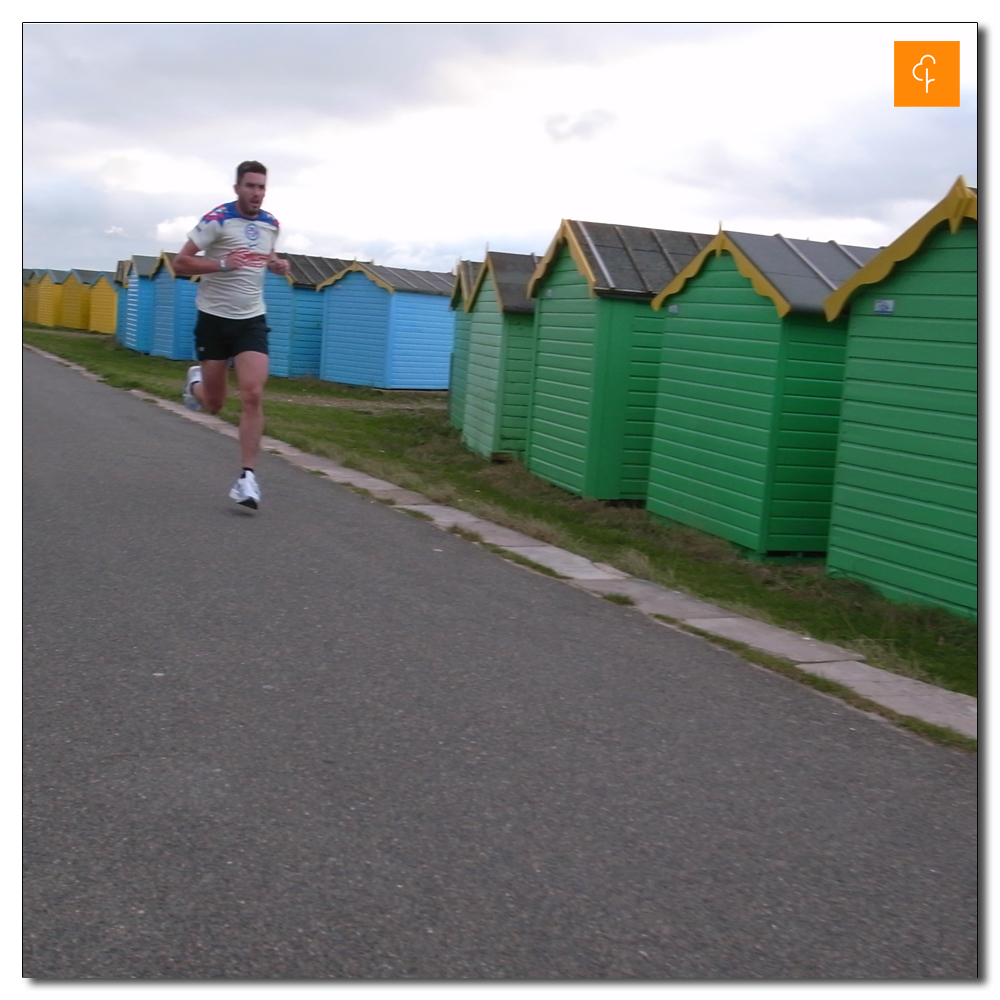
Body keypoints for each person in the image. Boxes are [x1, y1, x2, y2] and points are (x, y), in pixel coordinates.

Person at [172, 160, 291, 511]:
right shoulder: (217, 220)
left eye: (262, 187)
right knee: (215, 403)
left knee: (252, 394)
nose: (257, 193)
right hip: (213, 320)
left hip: (251, 320)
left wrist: (277, 263)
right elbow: (181, 263)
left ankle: (247, 478)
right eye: (251, 186)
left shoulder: (271, 224)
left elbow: (265, 254)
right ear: (237, 188)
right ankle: (195, 384)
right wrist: (223, 263)